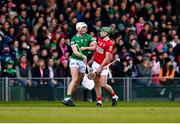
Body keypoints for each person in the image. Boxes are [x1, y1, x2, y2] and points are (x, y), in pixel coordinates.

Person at [62, 22, 96, 106]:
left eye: (85, 28)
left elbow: (95, 47)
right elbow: (75, 51)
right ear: (78, 29)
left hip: (83, 62)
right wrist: (82, 55)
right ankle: (67, 97)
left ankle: (68, 98)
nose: (84, 29)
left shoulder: (88, 37)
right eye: (82, 28)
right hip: (75, 59)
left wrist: (86, 48)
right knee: (74, 78)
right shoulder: (74, 39)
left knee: (78, 82)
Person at [89, 27, 118, 107]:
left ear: (106, 33)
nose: (100, 33)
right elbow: (96, 50)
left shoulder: (109, 43)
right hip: (95, 63)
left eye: (102, 32)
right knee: (96, 83)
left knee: (103, 84)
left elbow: (107, 57)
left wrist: (101, 67)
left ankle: (114, 96)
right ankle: (99, 101)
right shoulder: (99, 39)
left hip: (103, 65)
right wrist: (92, 59)